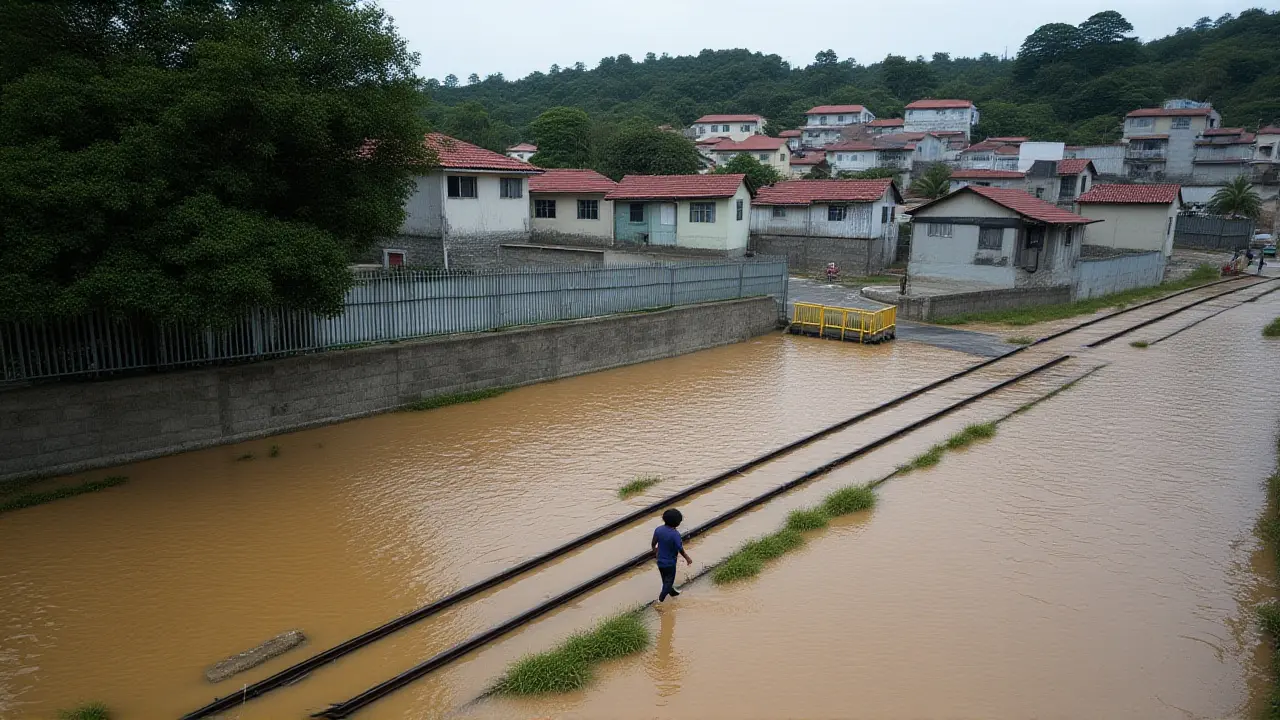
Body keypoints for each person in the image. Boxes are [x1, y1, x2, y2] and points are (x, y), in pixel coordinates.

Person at [651, 508, 692, 602]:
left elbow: (653, 543)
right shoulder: (675, 534)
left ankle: (672, 592)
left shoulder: (658, 529)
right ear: (677, 523)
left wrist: (655, 551)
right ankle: (660, 600)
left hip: (660, 561)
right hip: (670, 563)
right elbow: (680, 548)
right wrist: (687, 558)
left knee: (665, 579)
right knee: (669, 581)